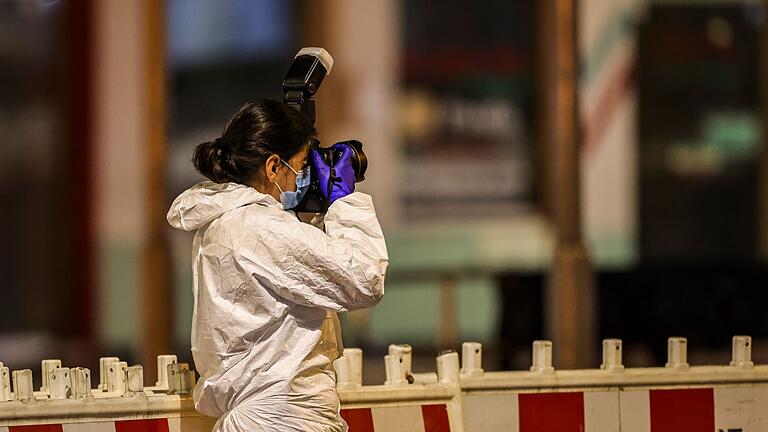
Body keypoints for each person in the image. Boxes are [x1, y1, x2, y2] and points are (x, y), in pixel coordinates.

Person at [167, 99, 388, 432]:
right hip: (283, 418)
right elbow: (364, 279)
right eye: (301, 165)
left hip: (264, 415)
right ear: (273, 167)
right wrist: (344, 201)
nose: (303, 177)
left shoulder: (225, 221)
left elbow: (302, 273)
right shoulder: (260, 228)